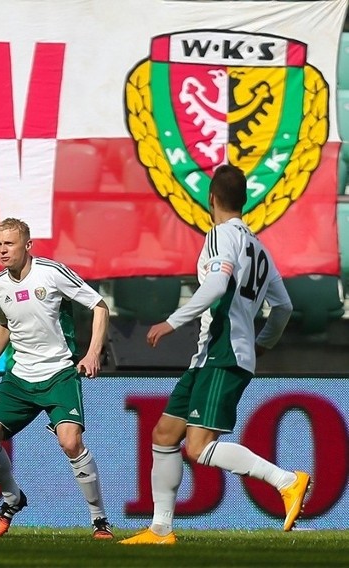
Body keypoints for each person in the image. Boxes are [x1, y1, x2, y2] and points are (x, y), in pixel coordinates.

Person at [120, 164, 308, 545]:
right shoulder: (259, 246)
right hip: (215, 355)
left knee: (198, 446)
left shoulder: (220, 235)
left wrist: (173, 321)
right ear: (244, 199)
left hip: (222, 352)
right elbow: (284, 306)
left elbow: (219, 282)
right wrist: (262, 344)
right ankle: (160, 529)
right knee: (165, 433)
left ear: (211, 198)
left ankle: (286, 481)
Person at [0, 218, 113, 540]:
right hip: (19, 376)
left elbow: (100, 306)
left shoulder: (51, 272)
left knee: (70, 442)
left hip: (59, 372)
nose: (3, 250)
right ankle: (12, 500)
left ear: (28, 245)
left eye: (10, 244)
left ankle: (100, 520)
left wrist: (91, 354)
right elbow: (5, 325)